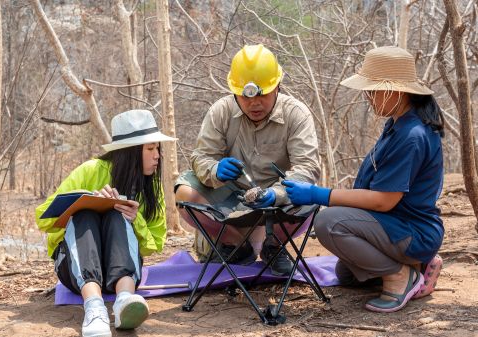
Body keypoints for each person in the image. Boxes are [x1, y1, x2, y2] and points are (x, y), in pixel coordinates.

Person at [283, 46, 445, 313]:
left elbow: (383, 201)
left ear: (397, 91)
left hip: (411, 231)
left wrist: (317, 194)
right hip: (394, 225)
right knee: (348, 275)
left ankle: (401, 276)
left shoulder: (411, 135)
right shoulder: (397, 124)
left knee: (328, 222)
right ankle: (418, 265)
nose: (368, 97)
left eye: (373, 90)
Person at [175, 44, 320, 275]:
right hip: (231, 198)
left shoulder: (296, 114)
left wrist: (278, 193)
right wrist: (214, 170)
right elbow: (201, 156)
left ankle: (275, 246)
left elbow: (307, 166)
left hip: (278, 200)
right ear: (234, 92)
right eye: (245, 96)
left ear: (277, 87)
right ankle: (236, 246)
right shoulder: (221, 111)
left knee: (311, 196)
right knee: (184, 192)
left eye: (262, 95)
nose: (254, 103)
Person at [35, 109, 176, 337]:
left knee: (116, 213)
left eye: (157, 148)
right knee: (85, 214)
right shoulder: (91, 170)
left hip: (124, 273)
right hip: (76, 272)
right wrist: (84, 200)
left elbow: (155, 244)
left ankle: (124, 302)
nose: (157, 155)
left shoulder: (152, 188)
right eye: (150, 149)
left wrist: (135, 218)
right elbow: (43, 218)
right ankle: (94, 308)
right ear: (130, 152)